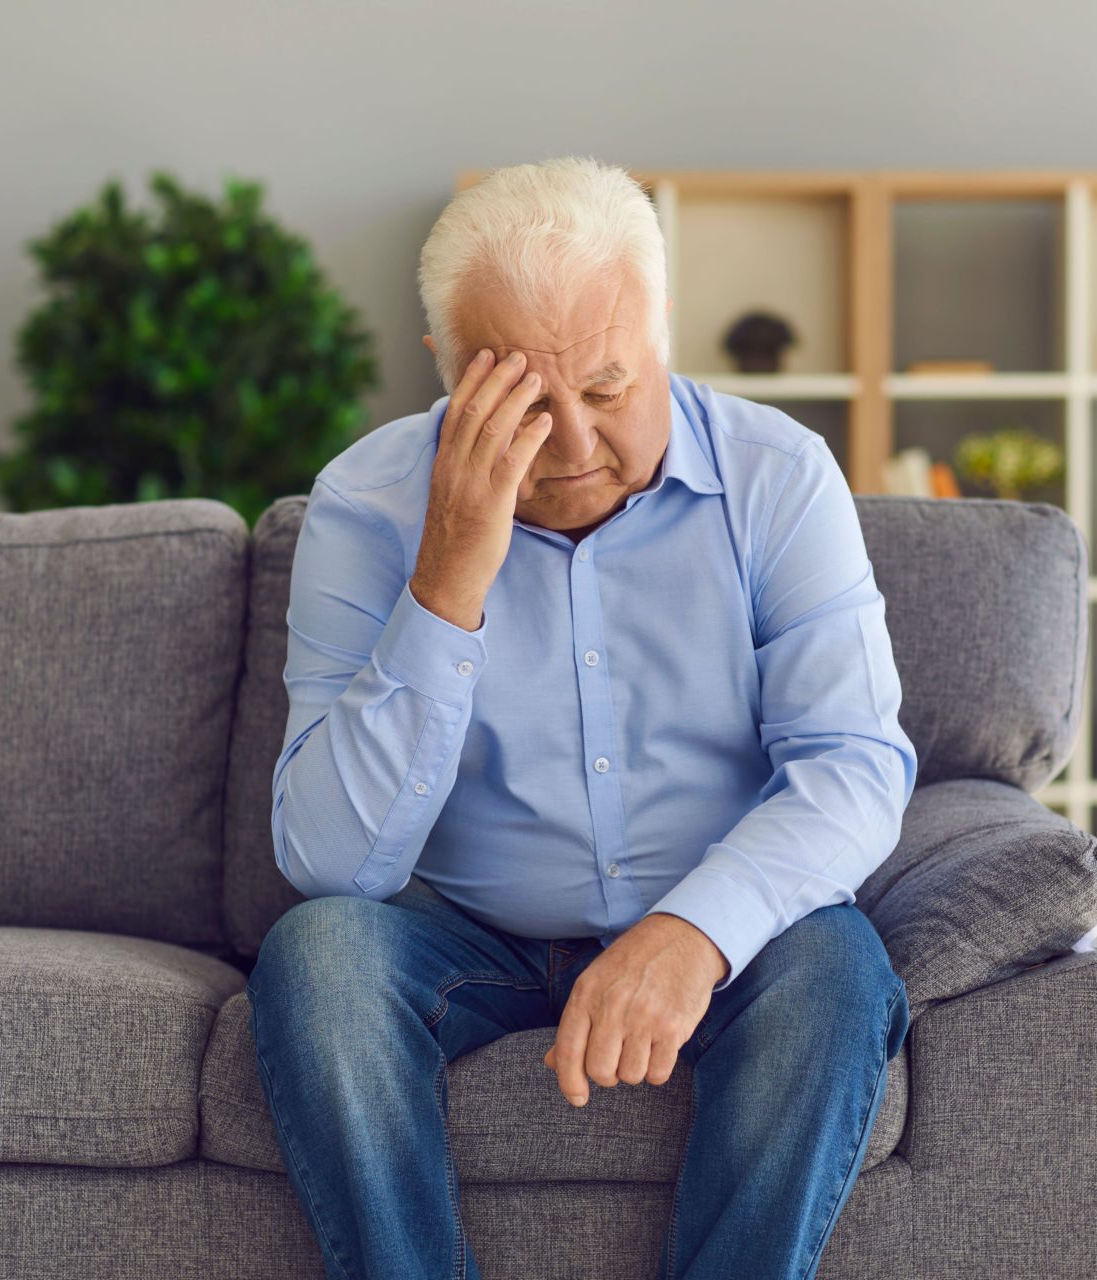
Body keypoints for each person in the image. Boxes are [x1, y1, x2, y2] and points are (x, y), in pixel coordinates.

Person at [246, 154, 917, 1280]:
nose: (567, 446)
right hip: (470, 935)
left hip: (725, 924)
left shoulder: (779, 478)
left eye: (607, 389)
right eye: (516, 400)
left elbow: (853, 764)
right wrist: (449, 578)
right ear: (447, 369)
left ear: (663, 333)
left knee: (838, 969)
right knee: (317, 958)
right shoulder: (366, 507)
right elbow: (329, 862)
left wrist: (693, 930)